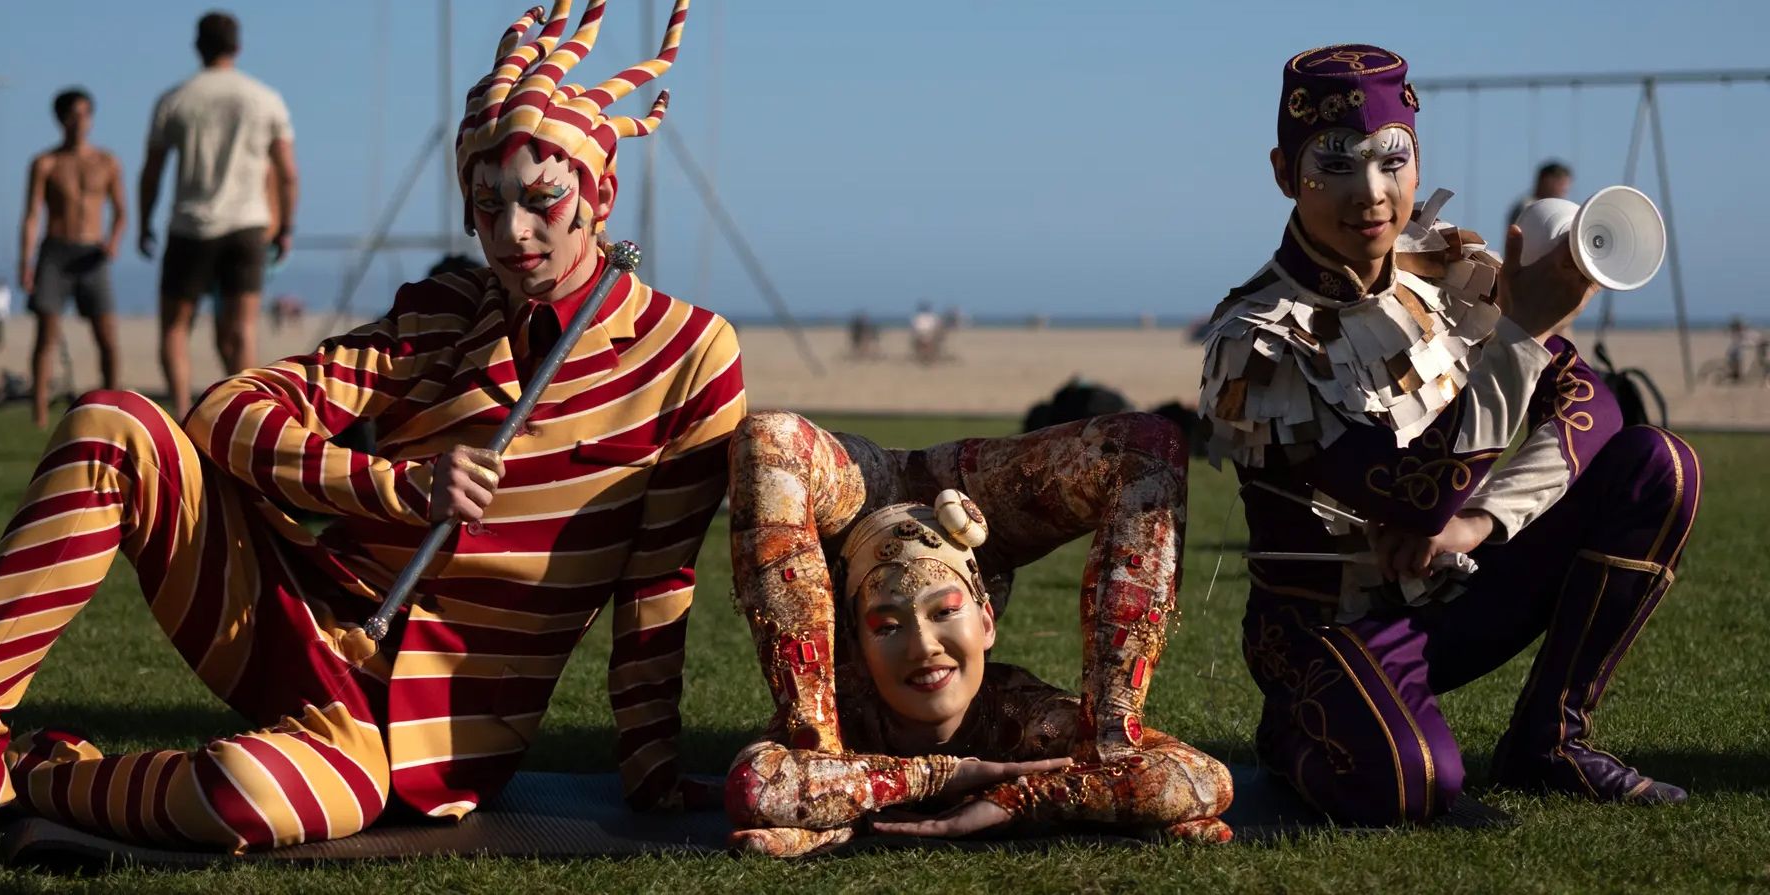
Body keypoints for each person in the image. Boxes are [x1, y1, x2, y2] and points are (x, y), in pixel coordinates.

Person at [0, 0, 741, 860]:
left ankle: (27, 771)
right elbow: (223, 412)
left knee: (244, 792)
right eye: (485, 203)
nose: (511, 233)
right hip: (299, 621)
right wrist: (394, 487)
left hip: (431, 740)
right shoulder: (438, 314)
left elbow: (658, 584)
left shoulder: (693, 354)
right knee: (111, 424)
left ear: (601, 191)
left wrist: (653, 772)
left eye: (541, 200)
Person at [1197, 45, 1700, 826]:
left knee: (1657, 466)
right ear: (1282, 172)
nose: (1372, 193)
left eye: (1393, 160)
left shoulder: (1446, 267)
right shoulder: (1253, 340)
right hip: (1326, 628)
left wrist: (1484, 519)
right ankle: (1292, 729)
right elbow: (1407, 495)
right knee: (1416, 784)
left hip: (1454, 589)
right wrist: (1522, 332)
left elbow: (1590, 399)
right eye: (1335, 164)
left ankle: (1552, 741)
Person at [724, 410, 1228, 857]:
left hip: (977, 499)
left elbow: (1207, 778)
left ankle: (1109, 749)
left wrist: (1021, 799)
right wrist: (943, 776)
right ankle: (821, 755)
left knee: (1146, 442)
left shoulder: (1026, 719)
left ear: (986, 620)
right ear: (852, 643)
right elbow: (757, 787)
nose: (923, 648)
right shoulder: (849, 710)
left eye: (944, 614)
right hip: (851, 505)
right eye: (889, 627)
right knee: (768, 436)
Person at [137, 11, 299, 419]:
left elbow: (152, 171)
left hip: (191, 225)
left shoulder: (175, 99)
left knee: (175, 329)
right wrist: (286, 228)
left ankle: (180, 414)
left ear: (198, 46)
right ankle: (250, 417)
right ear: (238, 46)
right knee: (242, 330)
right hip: (248, 224)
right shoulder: (265, 98)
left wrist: (143, 222)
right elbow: (288, 174)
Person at [20, 88, 125, 428]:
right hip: (56, 251)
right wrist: (26, 262)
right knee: (46, 336)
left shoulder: (107, 162)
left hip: (92, 252)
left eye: (86, 114)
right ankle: (38, 413)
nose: (80, 122)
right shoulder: (46, 163)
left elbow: (121, 211)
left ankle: (113, 408)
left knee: (107, 336)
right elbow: (32, 215)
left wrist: (113, 241)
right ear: (61, 120)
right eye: (73, 115)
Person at [1507, 159, 1572, 235]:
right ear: (1545, 181)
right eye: (1560, 184)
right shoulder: (1526, 206)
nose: (1565, 188)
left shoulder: (1562, 207)